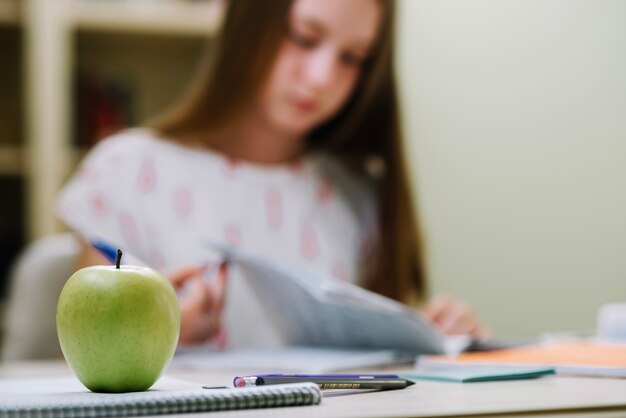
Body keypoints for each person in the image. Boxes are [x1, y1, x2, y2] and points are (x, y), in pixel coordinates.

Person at [56, 0, 488, 347]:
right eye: (305, 37)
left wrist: (436, 338)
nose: (320, 78)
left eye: (353, 58)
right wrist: (156, 331)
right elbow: (85, 352)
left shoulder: (356, 192)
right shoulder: (125, 172)